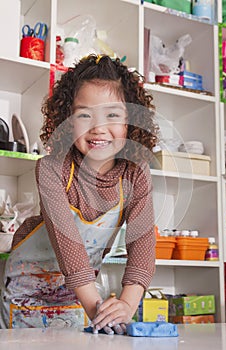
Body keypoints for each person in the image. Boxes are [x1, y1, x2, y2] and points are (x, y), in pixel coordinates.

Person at [0, 54, 159, 331]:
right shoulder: (52, 169)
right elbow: (69, 247)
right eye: (84, 114)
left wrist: (126, 305)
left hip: (79, 297)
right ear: (68, 119)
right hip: (25, 297)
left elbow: (142, 245)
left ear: (130, 120)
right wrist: (98, 310)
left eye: (112, 114)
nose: (99, 128)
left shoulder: (136, 173)